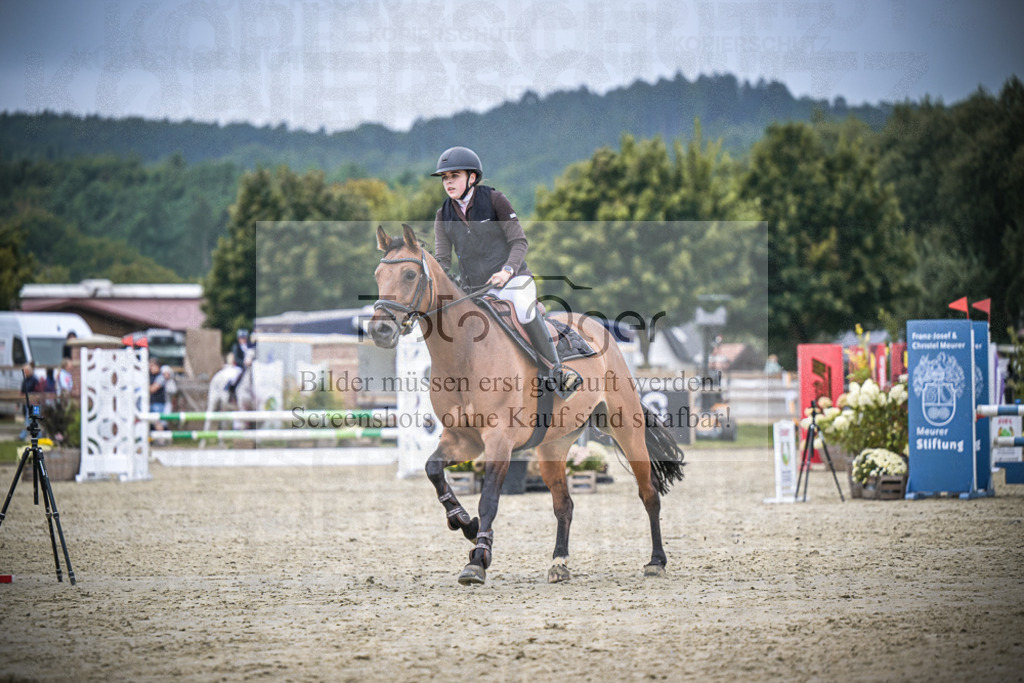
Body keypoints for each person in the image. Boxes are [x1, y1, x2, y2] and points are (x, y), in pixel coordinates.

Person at [431, 145, 582, 400]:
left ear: (472, 177)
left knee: (523, 308)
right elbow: (442, 261)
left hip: (513, 280)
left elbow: (519, 242)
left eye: (454, 175)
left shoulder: (494, 200)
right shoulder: (442, 214)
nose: (448, 182)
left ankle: (557, 372)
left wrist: (507, 271)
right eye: (445, 178)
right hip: (474, 290)